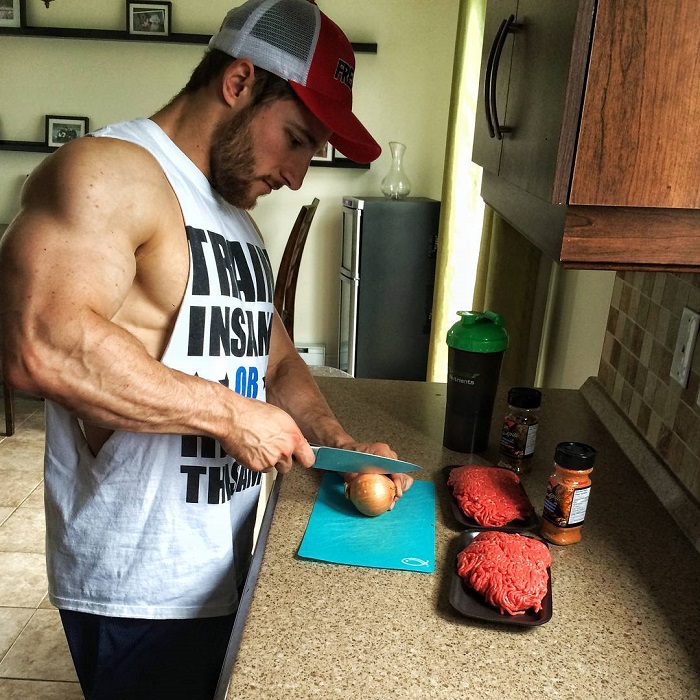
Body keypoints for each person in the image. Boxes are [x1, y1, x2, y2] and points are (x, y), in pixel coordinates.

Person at [0, 1, 413, 698]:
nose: (298, 175)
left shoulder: (238, 225)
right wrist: (230, 415)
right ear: (239, 82)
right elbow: (40, 340)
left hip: (219, 565)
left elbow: (276, 361)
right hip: (138, 587)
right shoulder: (110, 171)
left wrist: (338, 446)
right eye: (296, 139)